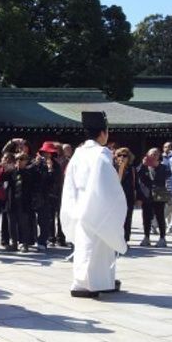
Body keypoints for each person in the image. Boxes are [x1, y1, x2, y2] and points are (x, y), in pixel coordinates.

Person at [60, 112, 127, 298]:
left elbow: (69, 183)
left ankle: (100, 282)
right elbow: (108, 185)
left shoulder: (78, 153)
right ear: (103, 133)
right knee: (95, 247)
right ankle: (86, 285)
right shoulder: (101, 154)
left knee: (89, 247)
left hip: (80, 203)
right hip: (97, 204)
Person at [31, 142, 62, 253]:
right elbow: (29, 174)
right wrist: (35, 164)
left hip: (47, 197)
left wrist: (50, 170)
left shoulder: (56, 166)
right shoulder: (36, 163)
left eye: (49, 153)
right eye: (45, 153)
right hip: (34, 195)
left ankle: (42, 241)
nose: (47, 155)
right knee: (31, 220)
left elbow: (55, 182)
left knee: (44, 221)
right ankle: (29, 240)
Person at [136, 148, 171, 247]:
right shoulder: (144, 166)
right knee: (146, 217)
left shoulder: (163, 167)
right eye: (152, 154)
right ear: (147, 155)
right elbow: (137, 175)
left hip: (160, 193)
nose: (154, 156)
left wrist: (156, 166)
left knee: (160, 216)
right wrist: (143, 164)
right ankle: (146, 237)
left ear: (159, 155)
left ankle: (162, 238)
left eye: (156, 154)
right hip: (146, 194)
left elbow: (168, 176)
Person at [4, 153, 36, 252]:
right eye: (17, 159)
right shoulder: (10, 172)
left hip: (24, 202)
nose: (19, 161)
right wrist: (3, 166)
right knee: (12, 223)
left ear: (26, 161)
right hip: (12, 201)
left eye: (22, 159)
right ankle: (14, 243)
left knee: (24, 224)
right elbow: (0, 179)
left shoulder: (29, 173)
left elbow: (33, 188)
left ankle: (24, 243)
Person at [114, 148, 137, 242]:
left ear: (129, 157)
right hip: (115, 198)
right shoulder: (112, 168)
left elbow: (135, 184)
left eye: (125, 155)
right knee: (116, 219)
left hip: (128, 197)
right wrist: (121, 168)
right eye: (119, 155)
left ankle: (125, 239)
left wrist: (138, 198)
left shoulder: (132, 169)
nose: (122, 157)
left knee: (127, 218)